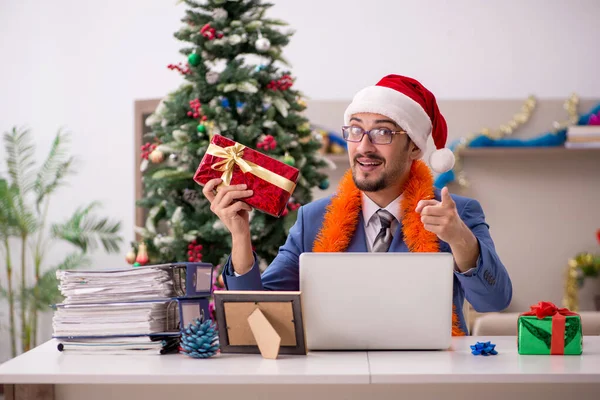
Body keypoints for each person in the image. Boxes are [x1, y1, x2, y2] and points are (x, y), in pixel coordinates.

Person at [202, 74, 512, 335]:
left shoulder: (455, 214)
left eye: (382, 132)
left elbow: (494, 301)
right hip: (335, 377)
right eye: (355, 130)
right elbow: (259, 315)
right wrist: (240, 235)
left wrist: (460, 238)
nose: (364, 147)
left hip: (427, 375)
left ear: (414, 146)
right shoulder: (313, 219)